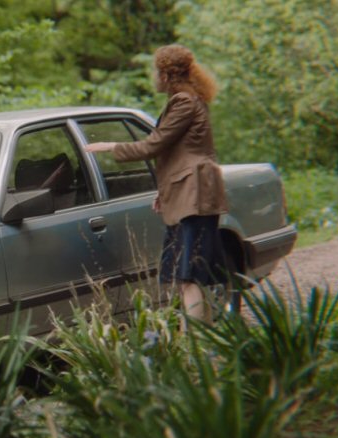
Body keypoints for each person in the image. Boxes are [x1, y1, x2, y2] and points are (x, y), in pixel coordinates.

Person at [84, 44, 229, 324]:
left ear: (165, 75)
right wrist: (165, 193)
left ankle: (196, 346)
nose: (154, 77)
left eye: (155, 72)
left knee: (189, 278)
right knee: (189, 278)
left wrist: (111, 145)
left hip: (195, 198)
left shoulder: (184, 102)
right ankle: (206, 341)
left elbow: (154, 145)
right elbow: (175, 154)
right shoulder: (187, 99)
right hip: (189, 195)